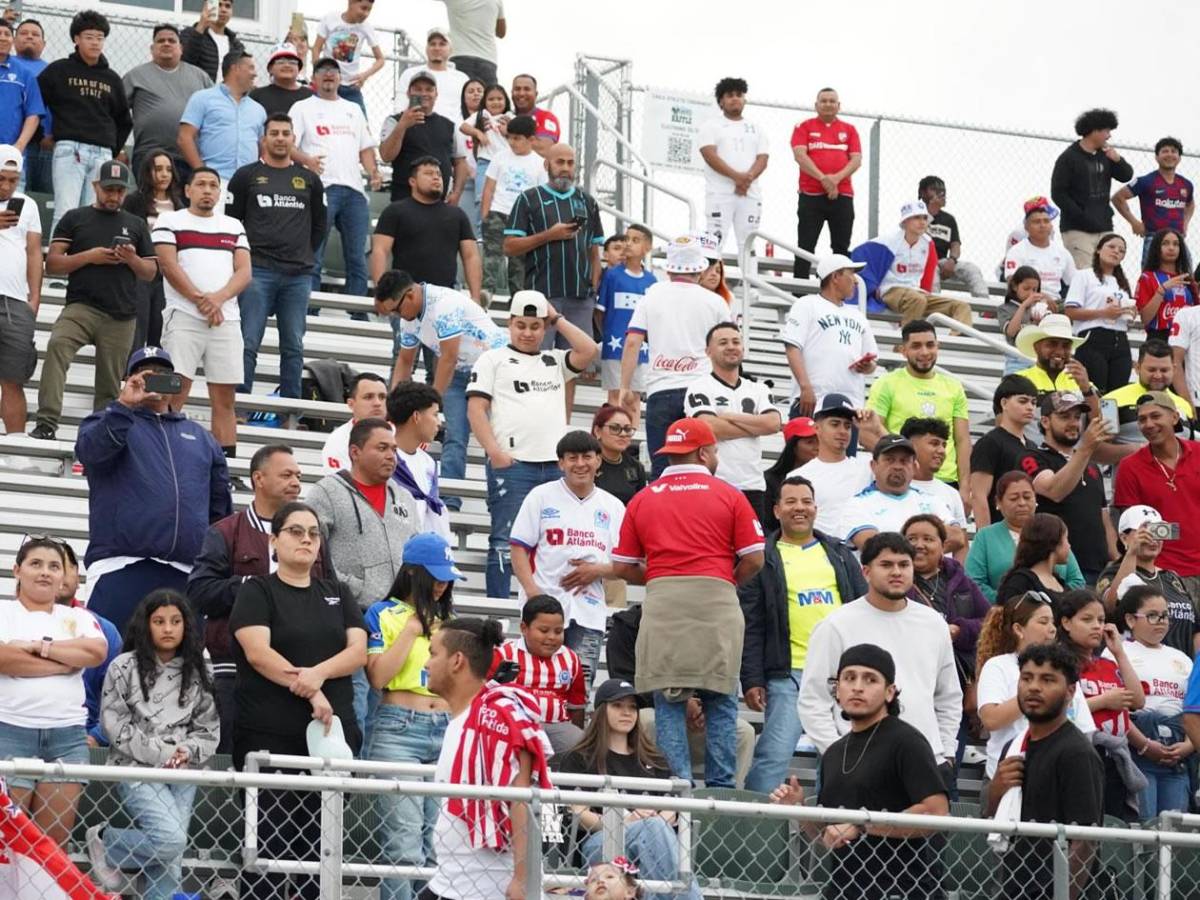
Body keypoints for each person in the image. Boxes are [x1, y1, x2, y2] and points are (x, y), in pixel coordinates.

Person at [611, 417, 764, 786]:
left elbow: (621, 565)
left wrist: (663, 576)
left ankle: (677, 789)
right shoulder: (730, 495)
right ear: (703, 452)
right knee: (722, 699)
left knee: (668, 700)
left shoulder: (644, 498)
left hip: (664, 602)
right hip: (717, 600)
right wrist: (726, 579)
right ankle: (721, 793)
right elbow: (755, 558)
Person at [231, 500, 367, 900]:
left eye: (313, 533)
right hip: (269, 739)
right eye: (295, 531)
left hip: (328, 740)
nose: (306, 540)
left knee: (320, 849)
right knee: (268, 849)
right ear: (274, 541)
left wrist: (317, 676)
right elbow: (259, 653)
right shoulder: (257, 591)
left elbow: (358, 652)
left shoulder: (337, 593)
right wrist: (312, 690)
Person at [75, 347, 231, 634]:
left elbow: (219, 510)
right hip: (120, 567)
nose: (154, 379)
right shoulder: (107, 419)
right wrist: (124, 405)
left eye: (163, 374)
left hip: (185, 574)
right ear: (129, 380)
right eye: (145, 374)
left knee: (181, 673)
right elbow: (90, 453)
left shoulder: (201, 438)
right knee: (111, 666)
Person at [775, 643, 950, 900]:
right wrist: (799, 810)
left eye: (870, 679)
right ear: (837, 690)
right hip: (843, 890)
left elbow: (936, 812)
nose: (857, 686)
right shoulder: (834, 753)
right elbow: (830, 835)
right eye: (849, 677)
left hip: (901, 890)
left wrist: (862, 826)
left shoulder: (906, 741)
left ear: (890, 692)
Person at [87, 590, 219, 900]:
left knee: (169, 863)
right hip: (135, 768)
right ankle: (108, 840)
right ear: (146, 625)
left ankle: (116, 851)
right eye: (159, 621)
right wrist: (164, 754)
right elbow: (114, 725)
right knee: (170, 841)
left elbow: (208, 728)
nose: (168, 629)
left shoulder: (198, 669)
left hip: (185, 771)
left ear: (186, 626)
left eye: (175, 621)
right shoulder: (123, 667)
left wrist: (186, 752)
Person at [738, 475, 866, 794]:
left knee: (841, 760)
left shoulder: (838, 552)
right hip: (789, 675)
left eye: (806, 502)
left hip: (842, 677)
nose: (800, 508)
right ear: (777, 509)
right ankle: (754, 831)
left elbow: (863, 609)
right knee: (773, 756)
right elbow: (750, 624)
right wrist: (752, 679)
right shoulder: (762, 556)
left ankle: (833, 833)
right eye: (791, 502)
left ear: (816, 508)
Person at [799, 533, 962, 783]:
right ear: (866, 572)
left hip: (927, 762)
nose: (896, 572)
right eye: (886, 565)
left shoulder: (933, 623)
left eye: (904, 564)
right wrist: (838, 753)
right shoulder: (836, 625)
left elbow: (948, 695)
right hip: (856, 765)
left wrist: (946, 752)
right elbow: (813, 700)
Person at [467, 290, 597, 598]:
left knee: (554, 541)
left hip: (555, 467)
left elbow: (588, 349)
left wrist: (557, 318)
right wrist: (495, 453)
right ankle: (497, 615)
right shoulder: (492, 359)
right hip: (513, 466)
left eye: (535, 326)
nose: (527, 332)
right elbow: (476, 409)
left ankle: (549, 609)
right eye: (521, 325)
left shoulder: (554, 360)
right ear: (509, 324)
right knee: (503, 539)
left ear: (545, 327)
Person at [187, 444, 309, 754]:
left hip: (301, 672)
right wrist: (256, 589)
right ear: (258, 478)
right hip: (235, 671)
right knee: (233, 764)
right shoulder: (226, 532)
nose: (296, 482)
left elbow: (327, 591)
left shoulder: (312, 533)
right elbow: (200, 592)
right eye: (286, 474)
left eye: (298, 475)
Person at [422, 617, 553, 900]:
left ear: (457, 661)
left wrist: (522, 879)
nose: (425, 664)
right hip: (450, 881)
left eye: (433, 653)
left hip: (486, 887)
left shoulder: (498, 715)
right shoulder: (464, 719)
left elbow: (521, 797)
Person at [29, 159, 158, 441]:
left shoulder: (135, 223)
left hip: (121, 313)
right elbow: (53, 263)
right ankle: (47, 420)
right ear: (95, 186)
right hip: (81, 306)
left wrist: (130, 258)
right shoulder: (75, 217)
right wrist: (90, 256)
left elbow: (150, 272)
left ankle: (102, 431)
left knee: (110, 382)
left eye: (119, 191)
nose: (114, 196)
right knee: (57, 346)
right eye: (108, 189)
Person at [364, 531, 462, 900]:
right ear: (412, 573)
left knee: (440, 841)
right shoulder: (382, 613)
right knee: (403, 843)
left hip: (446, 727)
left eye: (446, 577)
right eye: (435, 576)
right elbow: (378, 677)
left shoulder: (450, 619)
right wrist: (409, 632)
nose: (442, 584)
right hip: (398, 729)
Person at [306, 418, 418, 734]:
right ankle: (350, 780)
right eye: (381, 448)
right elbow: (310, 551)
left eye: (394, 449)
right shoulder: (326, 492)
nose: (391, 456)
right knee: (355, 709)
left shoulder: (404, 498)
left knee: (385, 714)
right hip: (350, 619)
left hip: (395, 622)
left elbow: (416, 555)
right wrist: (347, 589)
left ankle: (371, 780)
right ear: (355, 451)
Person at [0, 538, 106, 847]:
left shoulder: (80, 618)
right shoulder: (4, 612)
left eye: (54, 566)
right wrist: (63, 663)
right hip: (10, 732)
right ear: (17, 570)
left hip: (66, 738)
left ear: (64, 576)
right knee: (8, 842)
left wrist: (37, 647)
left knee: (52, 846)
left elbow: (95, 651)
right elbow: (3, 658)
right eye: (36, 564)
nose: (45, 572)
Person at [558, 678, 704, 900]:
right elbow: (578, 812)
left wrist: (655, 819)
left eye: (632, 707)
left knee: (654, 829)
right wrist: (625, 822)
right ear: (600, 711)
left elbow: (672, 807)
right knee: (653, 830)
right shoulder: (579, 758)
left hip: (655, 840)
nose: (626, 713)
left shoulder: (655, 759)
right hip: (600, 842)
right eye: (617, 706)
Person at [375, 272, 503, 508]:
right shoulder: (409, 318)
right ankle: (450, 502)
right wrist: (393, 405)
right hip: (460, 374)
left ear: (410, 295)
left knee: (494, 438)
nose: (396, 315)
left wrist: (430, 403)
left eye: (396, 309)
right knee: (454, 435)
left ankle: (499, 499)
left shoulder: (443, 304)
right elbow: (404, 361)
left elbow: (448, 358)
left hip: (494, 372)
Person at [989, 643, 1104, 900]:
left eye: (1048, 679)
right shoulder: (1015, 746)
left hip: (1058, 891)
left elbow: (1085, 842)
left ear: (1070, 691)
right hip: (1014, 886)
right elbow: (991, 817)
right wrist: (997, 787)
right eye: (1026, 678)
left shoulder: (1077, 753)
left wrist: (1063, 895)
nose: (1034, 687)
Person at [510, 430, 624, 688]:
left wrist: (597, 570)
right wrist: (533, 593)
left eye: (587, 456)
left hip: (589, 612)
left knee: (579, 689)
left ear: (598, 461)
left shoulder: (614, 507)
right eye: (572, 458)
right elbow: (518, 548)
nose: (580, 464)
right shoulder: (540, 496)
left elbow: (627, 565)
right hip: (542, 611)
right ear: (561, 463)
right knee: (533, 682)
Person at [153, 165, 251, 455]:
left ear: (220, 192)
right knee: (174, 388)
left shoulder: (234, 226)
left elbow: (245, 272)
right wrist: (202, 300)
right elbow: (168, 266)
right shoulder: (169, 220)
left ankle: (226, 467)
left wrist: (217, 299)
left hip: (226, 319)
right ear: (187, 190)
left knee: (225, 398)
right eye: (201, 184)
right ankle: (163, 455)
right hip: (183, 316)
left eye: (213, 185)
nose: (207, 190)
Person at [228, 111, 325, 398]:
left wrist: (303, 253)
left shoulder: (309, 179)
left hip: (298, 276)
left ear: (294, 139)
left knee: (293, 345)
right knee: (248, 341)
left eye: (286, 134)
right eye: (275, 133)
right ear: (263, 139)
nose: (280, 138)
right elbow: (231, 223)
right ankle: (240, 403)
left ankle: (290, 409)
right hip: (257, 271)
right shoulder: (246, 176)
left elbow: (320, 225)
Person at [617, 235, 732, 475]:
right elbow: (728, 347)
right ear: (700, 269)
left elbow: (632, 342)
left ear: (669, 269)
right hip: (702, 390)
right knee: (703, 467)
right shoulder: (715, 302)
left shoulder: (652, 295)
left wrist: (625, 386)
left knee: (663, 469)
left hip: (661, 389)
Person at [502, 143, 603, 374]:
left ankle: (563, 413)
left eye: (570, 163)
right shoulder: (528, 199)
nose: (565, 168)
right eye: (560, 162)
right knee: (535, 365)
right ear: (547, 164)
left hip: (579, 298)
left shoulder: (588, 201)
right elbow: (509, 247)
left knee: (572, 370)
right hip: (542, 297)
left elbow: (594, 250)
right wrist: (550, 235)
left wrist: (593, 287)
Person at [1057, 589, 1156, 821]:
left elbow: (1138, 700)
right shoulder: (1058, 661)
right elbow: (1059, 709)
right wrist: (1104, 701)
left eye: (1101, 620)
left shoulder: (1108, 663)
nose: (1096, 626)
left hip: (1114, 759)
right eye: (1087, 619)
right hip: (1080, 754)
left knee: (1114, 825)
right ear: (1066, 622)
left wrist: (1119, 652)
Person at [976, 593, 1096, 784]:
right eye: (1043, 622)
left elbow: (1084, 727)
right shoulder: (998, 666)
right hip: (1007, 778)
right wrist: (1033, 693)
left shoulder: (1063, 669)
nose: (1051, 629)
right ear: (1018, 629)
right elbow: (991, 719)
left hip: (1056, 776)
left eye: (1052, 622)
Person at [291, 56, 381, 302]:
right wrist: (307, 160)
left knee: (357, 257)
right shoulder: (302, 107)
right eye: (322, 70)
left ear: (341, 78)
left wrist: (373, 171)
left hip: (354, 191)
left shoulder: (353, 109)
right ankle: (309, 309)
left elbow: (365, 149)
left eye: (333, 70)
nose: (328, 74)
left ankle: (357, 314)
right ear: (314, 79)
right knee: (314, 254)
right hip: (321, 188)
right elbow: (288, 144)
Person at [37, 10, 131, 234]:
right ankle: (58, 268)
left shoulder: (112, 78)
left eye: (100, 37)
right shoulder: (58, 70)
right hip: (70, 150)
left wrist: (112, 148)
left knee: (96, 214)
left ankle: (86, 266)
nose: (95, 42)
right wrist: (41, 136)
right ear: (76, 39)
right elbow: (35, 104)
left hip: (103, 154)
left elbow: (124, 120)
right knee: (66, 211)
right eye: (89, 36)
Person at [685, 322, 781, 520]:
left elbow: (772, 424)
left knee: (752, 550)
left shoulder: (759, 389)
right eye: (723, 342)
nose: (731, 346)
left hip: (753, 486)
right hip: (713, 483)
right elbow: (709, 427)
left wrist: (730, 416)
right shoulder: (699, 387)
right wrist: (755, 426)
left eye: (736, 341)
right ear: (708, 351)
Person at [1019, 390, 1117, 583]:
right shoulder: (1032, 456)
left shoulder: (1091, 465)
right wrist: (1085, 449)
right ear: (1045, 422)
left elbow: (1104, 518)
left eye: (1077, 417)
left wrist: (1114, 559)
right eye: (1064, 416)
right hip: (1056, 567)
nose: (1073, 423)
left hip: (1096, 569)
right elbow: (1054, 491)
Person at [1113, 585, 1194, 818]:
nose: (1161, 621)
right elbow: (1117, 709)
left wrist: (1189, 745)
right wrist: (1145, 745)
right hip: (1138, 747)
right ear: (1130, 619)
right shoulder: (1118, 652)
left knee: (1175, 828)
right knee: (1143, 824)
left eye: (1165, 615)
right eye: (1152, 615)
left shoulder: (1181, 659)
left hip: (1179, 752)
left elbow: (1195, 709)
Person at [1113, 397, 1200, 611]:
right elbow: (1131, 528)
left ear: (1174, 417)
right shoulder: (1130, 467)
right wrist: (1180, 530)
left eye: (1155, 416)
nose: (1148, 424)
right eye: (1142, 419)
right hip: (1165, 573)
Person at [868, 319, 971, 498]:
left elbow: (962, 440)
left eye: (930, 345)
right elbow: (870, 432)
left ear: (938, 346)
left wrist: (965, 487)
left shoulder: (954, 387)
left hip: (945, 481)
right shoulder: (886, 383)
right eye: (916, 346)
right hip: (902, 480)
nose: (924, 352)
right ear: (903, 350)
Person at [370, 156, 480, 315]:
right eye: (428, 173)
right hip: (405, 299)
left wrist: (475, 297)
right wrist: (381, 294)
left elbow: (471, 256)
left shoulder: (457, 215)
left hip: (445, 300)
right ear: (412, 181)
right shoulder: (395, 211)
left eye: (439, 174)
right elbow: (380, 251)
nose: (436, 177)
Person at [781, 253, 877, 415]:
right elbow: (792, 347)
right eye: (851, 274)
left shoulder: (858, 315)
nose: (855, 280)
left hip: (850, 405)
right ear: (835, 277)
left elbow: (873, 363)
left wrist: (867, 366)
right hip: (812, 400)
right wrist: (805, 387)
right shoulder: (807, 304)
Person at [967, 471, 1086, 602]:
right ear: (998, 502)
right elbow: (973, 582)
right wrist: (1010, 600)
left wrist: (1057, 602)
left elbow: (1077, 581)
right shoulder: (985, 537)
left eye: (1027, 497)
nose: (1022, 503)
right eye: (1014, 498)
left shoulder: (1052, 530)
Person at [851, 201, 973, 326]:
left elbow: (928, 276)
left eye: (925, 218)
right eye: (917, 218)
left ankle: (953, 342)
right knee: (917, 300)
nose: (922, 222)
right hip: (891, 291)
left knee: (961, 307)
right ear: (905, 221)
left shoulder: (928, 243)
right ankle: (905, 343)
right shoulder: (888, 241)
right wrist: (872, 286)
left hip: (916, 293)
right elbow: (858, 254)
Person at [1097, 505, 1198, 657]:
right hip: (1139, 666)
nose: (1153, 538)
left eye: (1158, 531)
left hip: (1181, 669)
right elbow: (1112, 605)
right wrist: (1131, 552)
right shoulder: (1113, 572)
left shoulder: (1172, 577)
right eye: (1145, 531)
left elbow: (1195, 628)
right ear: (1124, 537)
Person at [833, 431, 958, 550]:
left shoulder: (931, 500)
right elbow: (872, 547)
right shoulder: (857, 505)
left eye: (904, 461)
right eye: (890, 460)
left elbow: (957, 536)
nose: (897, 466)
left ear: (914, 467)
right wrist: (929, 541)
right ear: (873, 466)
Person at [498, 595, 587, 756]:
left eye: (558, 631)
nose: (552, 637)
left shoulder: (571, 659)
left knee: (582, 745)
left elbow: (577, 706)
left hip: (556, 726)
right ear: (524, 628)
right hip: (515, 725)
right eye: (544, 630)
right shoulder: (505, 655)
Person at [123, 24, 212, 179]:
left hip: (189, 159)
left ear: (181, 48)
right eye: (161, 41)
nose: (166, 43)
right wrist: (120, 149)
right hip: (148, 156)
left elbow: (216, 112)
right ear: (152, 49)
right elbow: (117, 113)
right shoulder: (135, 76)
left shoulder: (200, 77)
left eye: (172, 40)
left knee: (184, 204)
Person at [789, 87, 860, 280]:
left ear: (838, 105)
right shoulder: (803, 127)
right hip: (810, 196)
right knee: (805, 245)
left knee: (840, 248)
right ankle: (799, 293)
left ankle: (839, 289)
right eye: (824, 101)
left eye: (832, 101)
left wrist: (835, 180)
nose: (828, 104)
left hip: (842, 195)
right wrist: (824, 179)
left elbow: (856, 160)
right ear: (816, 105)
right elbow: (800, 155)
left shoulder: (850, 130)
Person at [1051, 108, 1134, 269]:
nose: (1109, 135)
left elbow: (1126, 175)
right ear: (1094, 130)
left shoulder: (1106, 154)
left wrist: (1117, 159)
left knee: (1108, 273)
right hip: (1077, 230)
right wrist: (1081, 216)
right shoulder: (1068, 158)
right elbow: (1058, 193)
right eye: (1106, 130)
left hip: (1104, 227)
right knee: (1087, 275)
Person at [177, 51, 266, 193]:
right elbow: (184, 137)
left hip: (249, 184)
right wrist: (202, 172)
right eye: (250, 68)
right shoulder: (202, 98)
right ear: (235, 68)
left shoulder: (258, 109)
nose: (254, 74)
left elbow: (263, 146)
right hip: (214, 183)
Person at [697, 76, 767, 255]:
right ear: (721, 101)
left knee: (748, 244)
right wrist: (737, 177)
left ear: (745, 99)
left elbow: (763, 158)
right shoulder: (710, 125)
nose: (735, 98)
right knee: (714, 241)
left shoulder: (756, 127)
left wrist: (747, 179)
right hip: (720, 194)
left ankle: (748, 283)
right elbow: (709, 155)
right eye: (729, 95)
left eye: (739, 95)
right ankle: (709, 282)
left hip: (749, 194)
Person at [123, 151, 184, 352]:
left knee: (160, 326)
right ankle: (130, 375)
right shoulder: (134, 201)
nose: (164, 174)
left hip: (168, 275)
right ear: (148, 172)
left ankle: (156, 374)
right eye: (158, 169)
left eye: (168, 169)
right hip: (140, 271)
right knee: (138, 325)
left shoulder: (180, 206)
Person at [1063, 232, 1134, 395]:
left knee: (1117, 395)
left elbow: (1121, 314)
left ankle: (1111, 421)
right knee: (1095, 391)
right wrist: (1103, 313)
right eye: (1112, 247)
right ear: (1098, 250)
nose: (1116, 251)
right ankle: (1094, 421)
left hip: (1120, 340)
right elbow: (1070, 311)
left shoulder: (1121, 282)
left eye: (1122, 250)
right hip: (1093, 338)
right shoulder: (1083, 275)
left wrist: (1129, 313)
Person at [793, 394, 875, 535]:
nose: (843, 431)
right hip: (819, 553)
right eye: (835, 424)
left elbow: (910, 464)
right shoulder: (798, 476)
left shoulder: (867, 468)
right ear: (817, 428)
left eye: (848, 426)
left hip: (859, 554)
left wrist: (877, 429)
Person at [0, 147, 40, 435]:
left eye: (13, 180)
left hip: (16, 302)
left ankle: (16, 453)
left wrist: (35, 298)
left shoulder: (28, 204)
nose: (6, 186)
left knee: (13, 380)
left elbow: (35, 251)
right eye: (1, 178)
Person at [596, 223, 656, 415]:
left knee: (634, 397)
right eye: (627, 239)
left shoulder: (652, 281)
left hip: (641, 349)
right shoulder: (612, 276)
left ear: (647, 248)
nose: (628, 244)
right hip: (614, 347)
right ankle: (613, 434)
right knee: (616, 396)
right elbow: (599, 312)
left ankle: (631, 439)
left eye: (635, 240)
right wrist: (607, 335)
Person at [479, 114, 542, 294]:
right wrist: (485, 215)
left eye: (517, 138)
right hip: (498, 212)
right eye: (509, 137)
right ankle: (486, 292)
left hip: (522, 219)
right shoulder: (500, 157)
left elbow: (538, 197)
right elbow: (488, 188)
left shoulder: (539, 164)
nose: (512, 142)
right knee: (492, 256)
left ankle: (517, 297)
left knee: (518, 262)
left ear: (530, 139)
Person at [380, 71, 461, 204]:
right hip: (404, 202)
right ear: (408, 93)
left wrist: (456, 192)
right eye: (417, 89)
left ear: (436, 94)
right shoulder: (394, 121)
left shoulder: (448, 125)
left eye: (429, 89)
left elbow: (460, 162)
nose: (423, 94)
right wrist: (403, 125)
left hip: (440, 204)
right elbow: (386, 155)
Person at [969, 374, 1039, 525]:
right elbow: (979, 496)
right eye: (1023, 401)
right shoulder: (990, 443)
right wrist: (986, 538)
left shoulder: (1032, 447)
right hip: (998, 529)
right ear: (1004, 403)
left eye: (1033, 402)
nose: (1030, 407)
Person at [1113, 136, 1194, 264]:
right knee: (1151, 280)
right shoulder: (1146, 181)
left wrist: (1186, 223)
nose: (1169, 154)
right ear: (1157, 157)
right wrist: (1134, 222)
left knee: (1187, 278)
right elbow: (1118, 198)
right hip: (1154, 238)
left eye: (1173, 151)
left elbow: (1190, 204)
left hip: (1177, 240)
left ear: (1179, 158)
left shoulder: (1186, 184)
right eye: (1165, 151)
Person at [388, 381, 453, 539]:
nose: (439, 422)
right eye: (435, 414)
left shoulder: (428, 462)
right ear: (416, 416)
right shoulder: (386, 458)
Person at [1103, 340, 1194, 450]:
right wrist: (1142, 453)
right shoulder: (1110, 401)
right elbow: (1099, 451)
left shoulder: (1184, 405)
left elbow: (1190, 450)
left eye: (1164, 370)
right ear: (1137, 368)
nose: (1158, 375)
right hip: (1129, 466)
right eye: (1151, 370)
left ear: (1174, 369)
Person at [919, 175, 989, 298]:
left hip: (942, 261)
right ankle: (933, 307)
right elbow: (914, 235)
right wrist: (931, 211)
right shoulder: (916, 213)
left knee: (971, 269)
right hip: (920, 261)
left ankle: (986, 307)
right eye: (934, 189)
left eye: (943, 190)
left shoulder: (949, 219)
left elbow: (955, 244)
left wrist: (952, 260)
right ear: (923, 192)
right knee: (932, 272)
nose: (941, 193)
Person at [900, 418, 968, 546]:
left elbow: (961, 544)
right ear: (911, 446)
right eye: (934, 443)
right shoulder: (893, 490)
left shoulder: (952, 493)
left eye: (944, 445)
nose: (942, 451)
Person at [312, 0, 385, 112]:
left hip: (351, 86)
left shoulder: (366, 27)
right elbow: (316, 48)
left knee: (362, 124)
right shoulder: (330, 19)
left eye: (369, 10)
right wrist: (317, 73)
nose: (366, 14)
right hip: (328, 81)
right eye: (363, 8)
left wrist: (364, 75)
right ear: (351, 3)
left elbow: (380, 59)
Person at [995, 512, 1079, 607]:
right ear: (1054, 542)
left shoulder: (1060, 583)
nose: (1069, 545)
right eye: (1066, 539)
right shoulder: (1021, 582)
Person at [1003, 196, 1077, 303]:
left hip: (1056, 303)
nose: (1042, 225)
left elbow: (1075, 282)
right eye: (1037, 222)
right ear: (1026, 227)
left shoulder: (1062, 253)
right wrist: (1040, 297)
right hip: (1025, 303)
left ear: (1051, 226)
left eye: (1046, 221)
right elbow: (1012, 282)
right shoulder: (1016, 251)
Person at [1134, 228, 1197, 342]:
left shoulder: (1188, 280)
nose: (1171, 248)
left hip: (1187, 339)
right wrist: (1161, 290)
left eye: (1176, 244)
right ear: (1156, 248)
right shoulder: (1148, 277)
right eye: (1165, 243)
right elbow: (1145, 319)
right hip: (1158, 339)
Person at [320, 372, 388, 473]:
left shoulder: (401, 434)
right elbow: (340, 485)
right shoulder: (337, 440)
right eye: (368, 397)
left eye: (382, 397)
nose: (377, 403)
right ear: (351, 404)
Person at [397, 28, 469, 122]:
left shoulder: (462, 78)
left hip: (453, 132)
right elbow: (399, 107)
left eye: (442, 44)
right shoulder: (410, 74)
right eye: (432, 44)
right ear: (426, 48)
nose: (437, 48)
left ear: (450, 50)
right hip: (418, 127)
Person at [762, 416, 818, 532]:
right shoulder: (768, 481)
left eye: (820, 441)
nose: (817, 447)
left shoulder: (828, 478)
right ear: (793, 447)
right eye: (810, 442)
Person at [0, 19, 42, 157]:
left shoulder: (25, 75)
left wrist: (19, 146)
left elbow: (33, 114)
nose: (3, 37)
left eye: (7, 34)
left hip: (9, 152)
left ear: (12, 40)